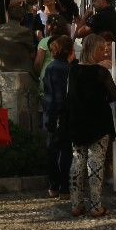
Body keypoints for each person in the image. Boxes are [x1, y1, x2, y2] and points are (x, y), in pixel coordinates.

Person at [67, 33, 116, 219]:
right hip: (98, 122)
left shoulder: (73, 70)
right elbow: (114, 95)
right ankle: (96, 206)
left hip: (78, 122)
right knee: (95, 164)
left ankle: (76, 204)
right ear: (93, 50)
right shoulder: (100, 72)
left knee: (77, 162)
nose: (104, 52)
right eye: (101, 49)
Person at [42, 35, 73, 198]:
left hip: (51, 113)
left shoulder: (51, 68)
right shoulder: (66, 68)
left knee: (52, 152)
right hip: (62, 114)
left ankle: (54, 185)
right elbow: (60, 95)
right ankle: (64, 187)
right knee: (64, 151)